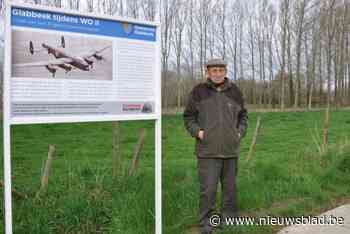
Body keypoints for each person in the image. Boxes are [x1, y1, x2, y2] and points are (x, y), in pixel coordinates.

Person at [183, 58, 248, 234]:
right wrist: (198, 132)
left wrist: (239, 132)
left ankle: (229, 220)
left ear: (225, 72)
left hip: (230, 150)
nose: (217, 73)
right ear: (208, 72)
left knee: (230, 190)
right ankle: (207, 223)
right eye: (214, 70)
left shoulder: (235, 91)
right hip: (207, 151)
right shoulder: (198, 91)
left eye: (221, 70)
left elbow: (243, 116)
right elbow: (188, 117)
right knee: (208, 191)